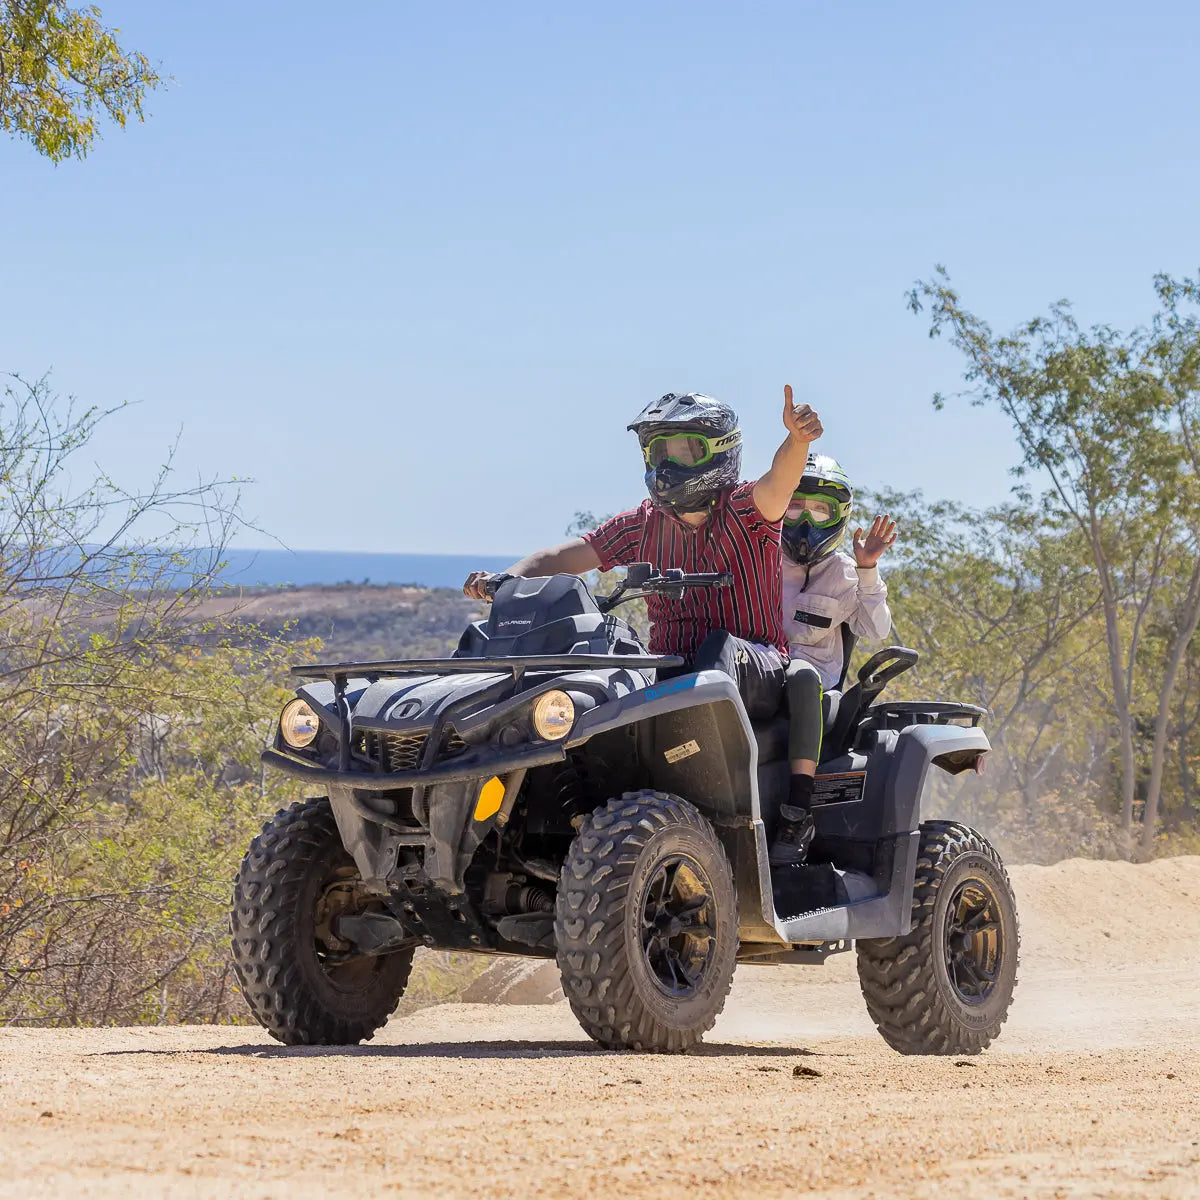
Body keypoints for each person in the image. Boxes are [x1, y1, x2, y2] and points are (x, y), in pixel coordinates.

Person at [464, 387, 823, 718]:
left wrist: (797, 440)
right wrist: (506, 580)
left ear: (719, 450)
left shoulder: (748, 510)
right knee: (604, 664)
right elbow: (562, 557)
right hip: (671, 669)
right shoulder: (643, 523)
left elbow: (780, 480)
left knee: (719, 649)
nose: (668, 464)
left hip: (757, 666)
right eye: (659, 452)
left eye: (685, 450)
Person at [769, 454, 896, 865]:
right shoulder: (761, 562)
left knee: (801, 675)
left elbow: (876, 629)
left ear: (838, 516)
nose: (806, 519)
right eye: (794, 506)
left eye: (820, 510)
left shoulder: (846, 573)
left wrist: (868, 567)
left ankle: (797, 812)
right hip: (759, 677)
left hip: (817, 693)